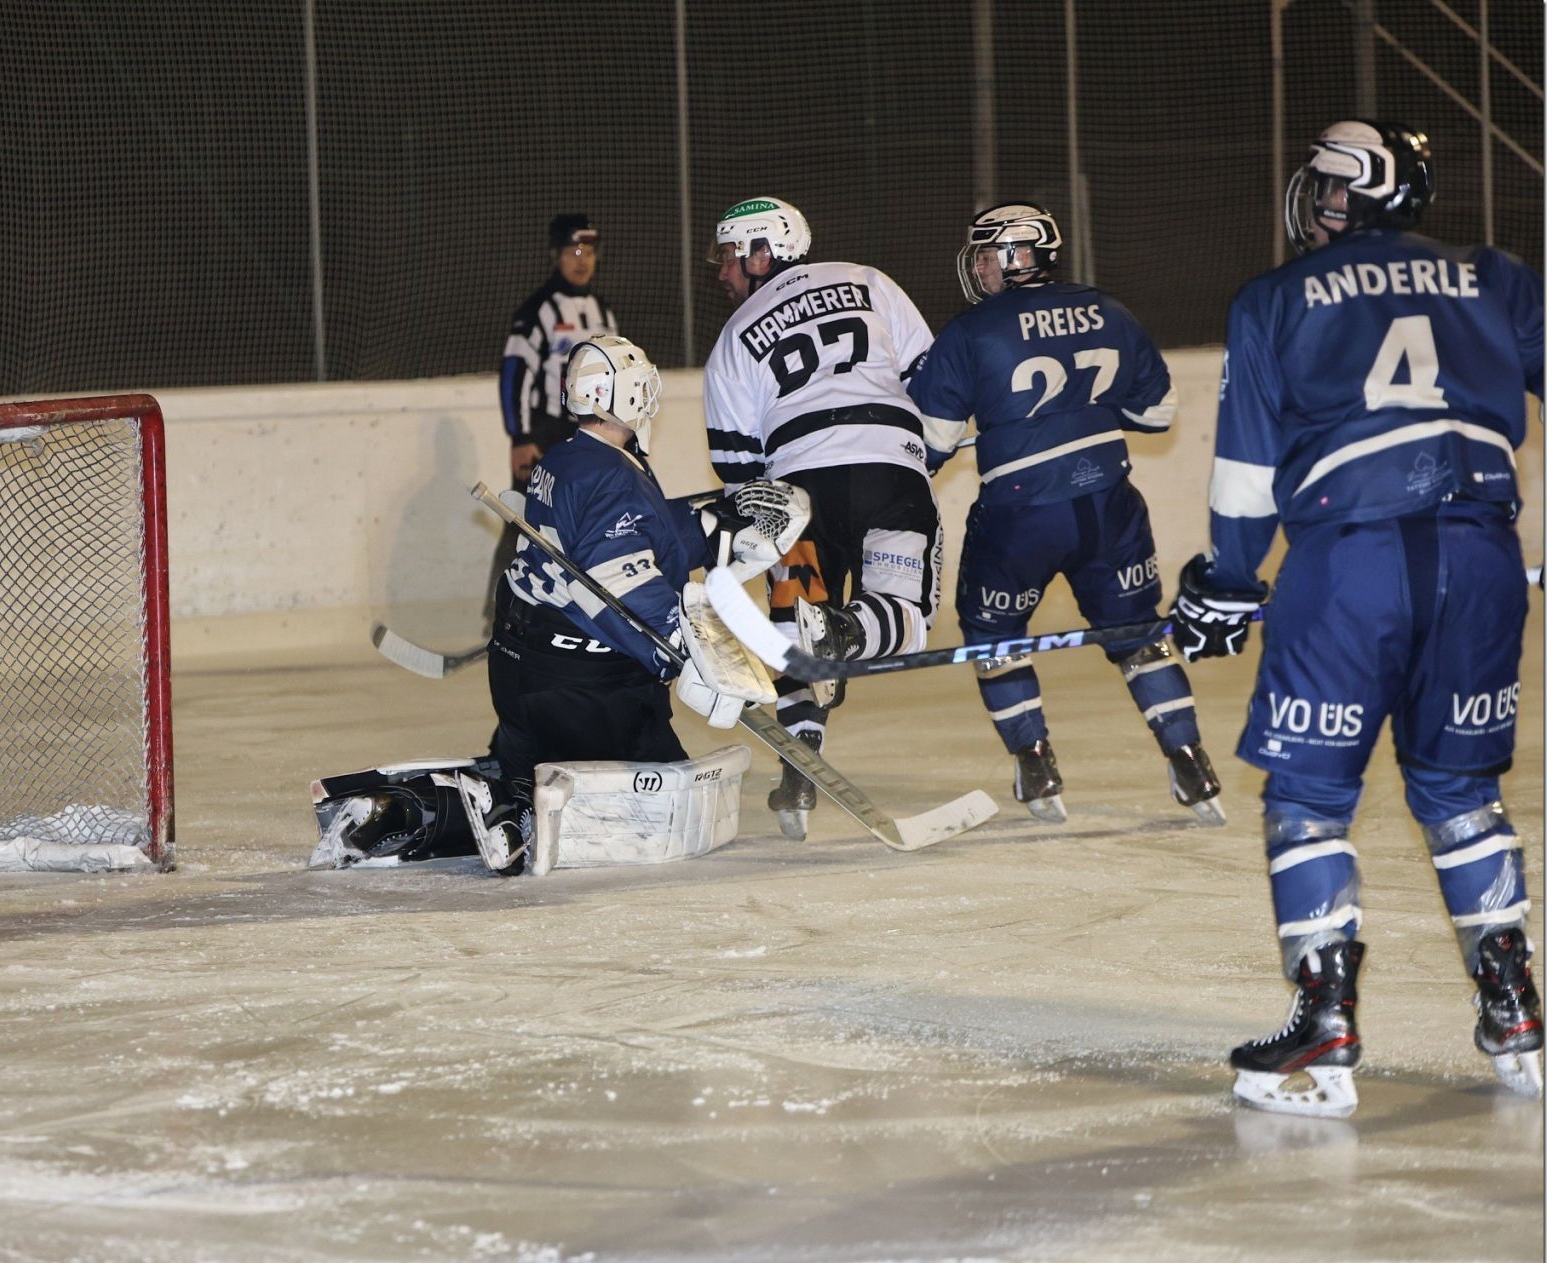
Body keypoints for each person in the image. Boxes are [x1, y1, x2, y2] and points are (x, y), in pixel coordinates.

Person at [1173, 120, 1543, 1115]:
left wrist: (1225, 581)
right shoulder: (1495, 276)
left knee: (1305, 799)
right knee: (1457, 790)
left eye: (1329, 189)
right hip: (1479, 558)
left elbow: (1247, 476)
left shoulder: (1274, 297)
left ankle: (1323, 1030)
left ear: (1356, 197)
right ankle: (1512, 1012)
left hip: (1348, 566)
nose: (1316, 204)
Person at [319, 336, 808, 875]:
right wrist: (687, 651)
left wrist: (716, 520)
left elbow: (637, 535)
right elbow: (623, 580)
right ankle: (521, 800)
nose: (650, 397)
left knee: (523, 765)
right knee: (665, 800)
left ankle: (430, 808)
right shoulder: (612, 476)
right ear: (615, 397)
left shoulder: (572, 459)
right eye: (640, 386)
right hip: (591, 691)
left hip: (522, 674)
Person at [906, 203, 1223, 825]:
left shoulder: (971, 331)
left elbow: (929, 444)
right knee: (1139, 636)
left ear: (1015, 255)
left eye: (984, 254)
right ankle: (1191, 760)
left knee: (995, 639)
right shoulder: (1110, 309)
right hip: (1110, 504)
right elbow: (1156, 414)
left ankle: (1036, 763)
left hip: (1020, 514)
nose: (977, 268)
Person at [703, 196, 943, 838]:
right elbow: (934, 382)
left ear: (763, 252)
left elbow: (735, 466)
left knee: (792, 632)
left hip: (801, 495)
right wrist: (926, 449)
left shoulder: (733, 338)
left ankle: (797, 773)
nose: (722, 272)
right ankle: (845, 628)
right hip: (892, 472)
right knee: (907, 621)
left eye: (728, 255)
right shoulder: (870, 280)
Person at [488, 214, 619, 629]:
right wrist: (521, 436)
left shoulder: (603, 310)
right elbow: (513, 373)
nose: (582, 261)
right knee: (527, 518)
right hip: (544, 431)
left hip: (591, 432)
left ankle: (583, 605)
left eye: (589, 252)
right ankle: (501, 610)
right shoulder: (537, 310)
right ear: (556, 256)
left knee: (595, 515)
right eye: (572, 252)